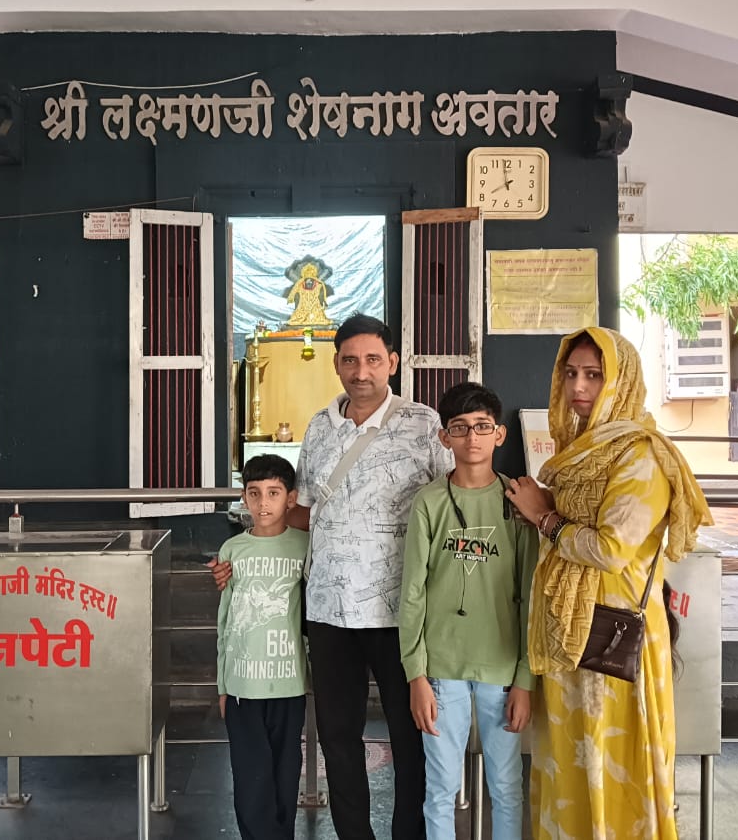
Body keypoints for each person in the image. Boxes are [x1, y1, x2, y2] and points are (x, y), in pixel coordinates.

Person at [212, 313, 452, 840]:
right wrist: (245, 559)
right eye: (350, 360)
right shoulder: (320, 426)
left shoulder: (423, 423)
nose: (361, 371)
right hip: (328, 610)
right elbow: (303, 512)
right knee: (338, 739)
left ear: (392, 362)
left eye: (373, 359)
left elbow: (448, 503)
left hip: (401, 610)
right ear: (336, 363)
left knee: (410, 735)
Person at [505, 327, 713, 840]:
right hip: (570, 635)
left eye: (595, 375)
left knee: (612, 763)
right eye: (571, 373)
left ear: (621, 382)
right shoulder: (581, 450)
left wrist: (544, 518)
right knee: (571, 765)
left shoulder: (641, 455)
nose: (579, 386)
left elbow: (611, 549)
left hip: (615, 640)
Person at [399, 382, 537, 840]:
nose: (472, 437)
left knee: (507, 787)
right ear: (444, 437)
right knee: (440, 788)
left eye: (482, 426)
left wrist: (525, 678)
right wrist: (416, 675)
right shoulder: (430, 502)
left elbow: (529, 593)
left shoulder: (518, 502)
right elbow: (413, 592)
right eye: (459, 428)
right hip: (442, 669)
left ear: (499, 434)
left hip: (502, 668)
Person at [216, 454, 310, 840]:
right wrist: (222, 684)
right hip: (243, 684)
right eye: (254, 493)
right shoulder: (232, 550)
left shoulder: (306, 547)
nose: (263, 503)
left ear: (291, 498)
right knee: (250, 778)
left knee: (286, 775)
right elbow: (225, 621)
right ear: (244, 498)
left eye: (273, 493)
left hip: (289, 682)